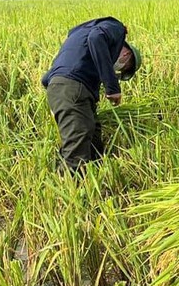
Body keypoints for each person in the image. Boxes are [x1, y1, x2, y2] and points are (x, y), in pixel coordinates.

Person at [42, 17, 141, 174]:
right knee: (77, 149)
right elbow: (96, 37)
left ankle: (96, 178)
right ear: (127, 53)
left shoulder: (79, 39)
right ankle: (68, 191)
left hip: (62, 87)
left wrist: (60, 97)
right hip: (72, 88)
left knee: (92, 134)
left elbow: (46, 79)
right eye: (125, 66)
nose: (119, 68)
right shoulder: (116, 28)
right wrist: (112, 86)